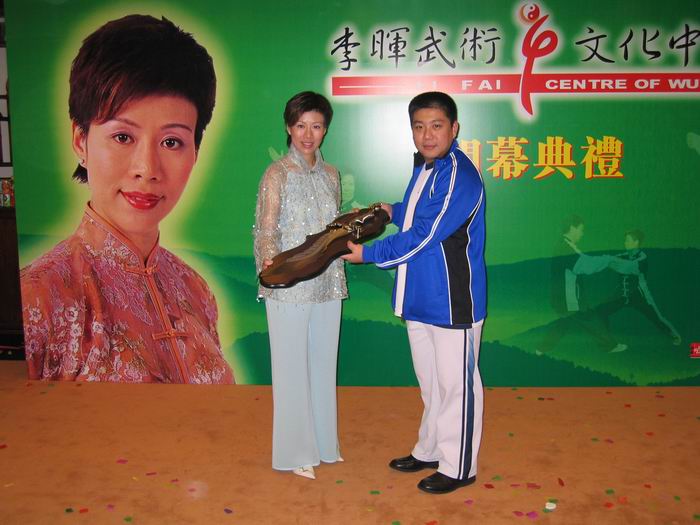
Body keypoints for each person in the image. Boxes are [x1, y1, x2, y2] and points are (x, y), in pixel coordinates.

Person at [20, 15, 234, 384]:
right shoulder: (39, 297)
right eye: (123, 137)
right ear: (81, 141)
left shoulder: (196, 290)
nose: (147, 169)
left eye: (171, 142)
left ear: (195, 153)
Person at [342, 91, 486, 494]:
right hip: (420, 296)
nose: (427, 135)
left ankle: (459, 467)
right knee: (432, 385)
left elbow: (425, 234)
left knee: (457, 387)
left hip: (453, 301)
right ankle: (430, 449)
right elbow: (420, 212)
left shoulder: (459, 175)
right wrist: (394, 210)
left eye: (436, 126)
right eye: (419, 126)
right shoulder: (426, 167)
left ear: (454, 128)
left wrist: (369, 254)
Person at [253, 91, 346, 480]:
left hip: (328, 282)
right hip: (289, 284)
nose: (308, 134)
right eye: (301, 126)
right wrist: (272, 264)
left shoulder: (331, 175)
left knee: (323, 365)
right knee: (290, 367)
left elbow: (334, 230)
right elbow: (265, 229)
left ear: (325, 129)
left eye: (317, 126)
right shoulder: (277, 174)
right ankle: (295, 453)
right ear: (289, 128)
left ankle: (324, 445)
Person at [538, 216, 627, 354]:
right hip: (569, 299)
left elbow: (584, 260)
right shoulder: (565, 248)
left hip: (563, 298)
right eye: (581, 229)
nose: (582, 233)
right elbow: (585, 265)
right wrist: (608, 260)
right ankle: (609, 346)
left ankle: (540, 350)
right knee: (590, 319)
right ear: (572, 228)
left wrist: (607, 259)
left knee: (563, 324)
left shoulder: (566, 245)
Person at [597, 230, 681, 345]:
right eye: (625, 240)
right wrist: (602, 260)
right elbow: (608, 260)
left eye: (627, 240)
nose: (625, 243)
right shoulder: (623, 256)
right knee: (601, 311)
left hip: (639, 295)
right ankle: (606, 341)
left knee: (656, 318)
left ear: (636, 242)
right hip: (621, 294)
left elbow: (628, 267)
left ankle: (673, 335)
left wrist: (612, 262)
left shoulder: (642, 257)